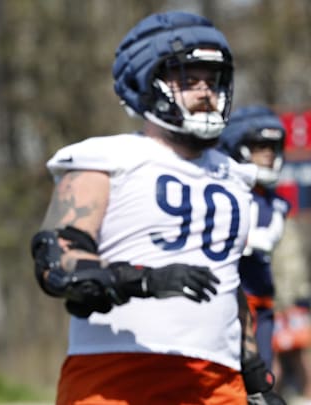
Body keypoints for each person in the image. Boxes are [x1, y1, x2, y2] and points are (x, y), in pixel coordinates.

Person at [30, 11, 284, 405]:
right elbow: (55, 261)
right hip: (118, 372)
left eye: (212, 81)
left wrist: (255, 377)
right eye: (188, 79)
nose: (206, 92)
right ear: (148, 84)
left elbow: (226, 282)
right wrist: (142, 281)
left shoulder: (234, 176)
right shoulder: (107, 157)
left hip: (218, 379)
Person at [218, 105, 290, 371]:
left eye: (273, 147)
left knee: (263, 374)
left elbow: (266, 240)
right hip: (228, 299)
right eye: (260, 146)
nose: (269, 154)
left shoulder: (275, 202)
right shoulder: (223, 193)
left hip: (260, 300)